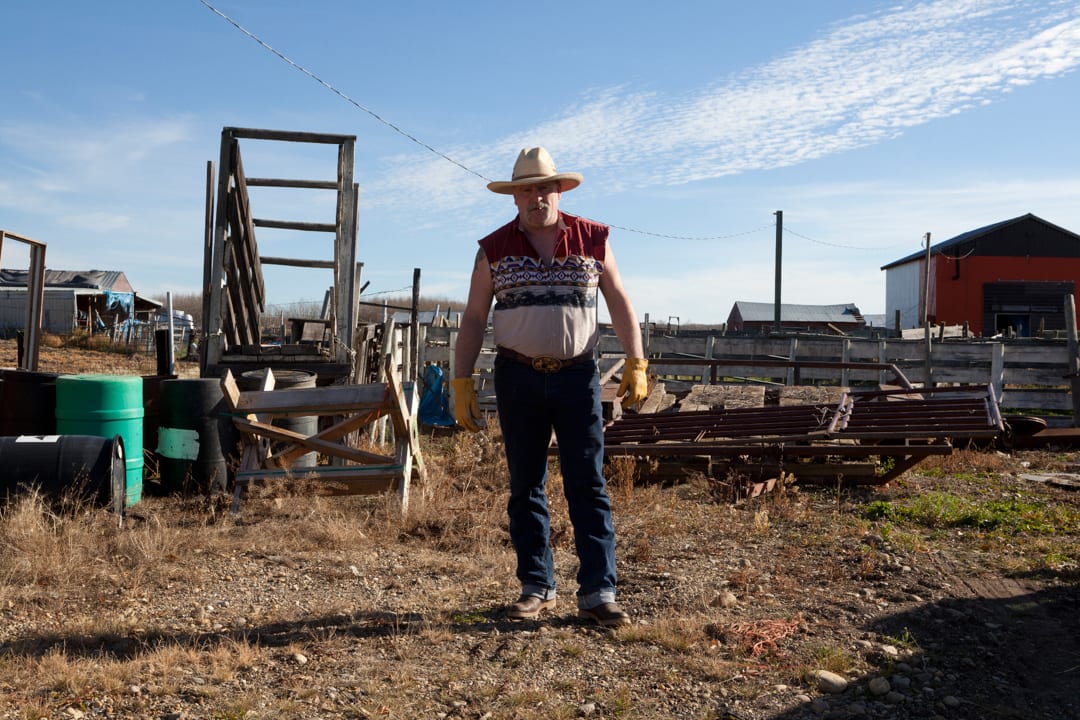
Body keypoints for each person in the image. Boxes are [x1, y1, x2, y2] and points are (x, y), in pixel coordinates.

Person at [451, 147, 649, 628]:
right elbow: (475, 317)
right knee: (525, 487)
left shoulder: (592, 240)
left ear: (558, 190)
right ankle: (536, 585)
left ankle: (599, 592)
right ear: (514, 196)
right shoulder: (493, 248)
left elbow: (619, 300)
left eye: (543, 187)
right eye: (526, 189)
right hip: (517, 376)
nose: (536, 196)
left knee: (589, 484)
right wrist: (460, 380)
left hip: (579, 377)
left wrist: (637, 361)